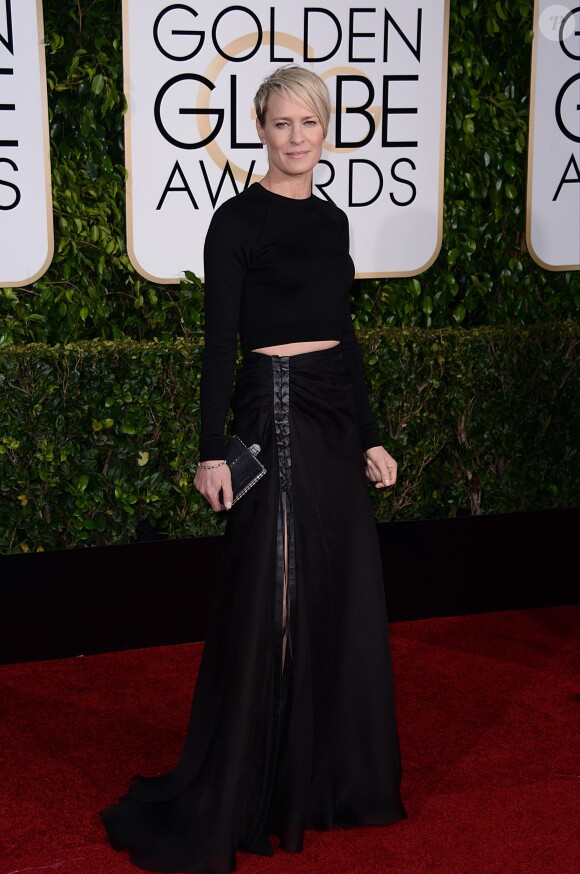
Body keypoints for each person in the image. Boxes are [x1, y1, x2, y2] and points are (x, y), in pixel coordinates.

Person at [100, 64, 406, 874]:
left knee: (333, 596)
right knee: (270, 600)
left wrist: (371, 435)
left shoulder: (334, 221)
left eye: (309, 123)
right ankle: (254, 787)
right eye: (281, 123)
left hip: (333, 418)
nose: (296, 137)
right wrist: (209, 450)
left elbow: (346, 339)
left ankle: (317, 782)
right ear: (260, 129)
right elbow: (216, 343)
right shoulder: (234, 221)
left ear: (326, 130)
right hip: (268, 413)